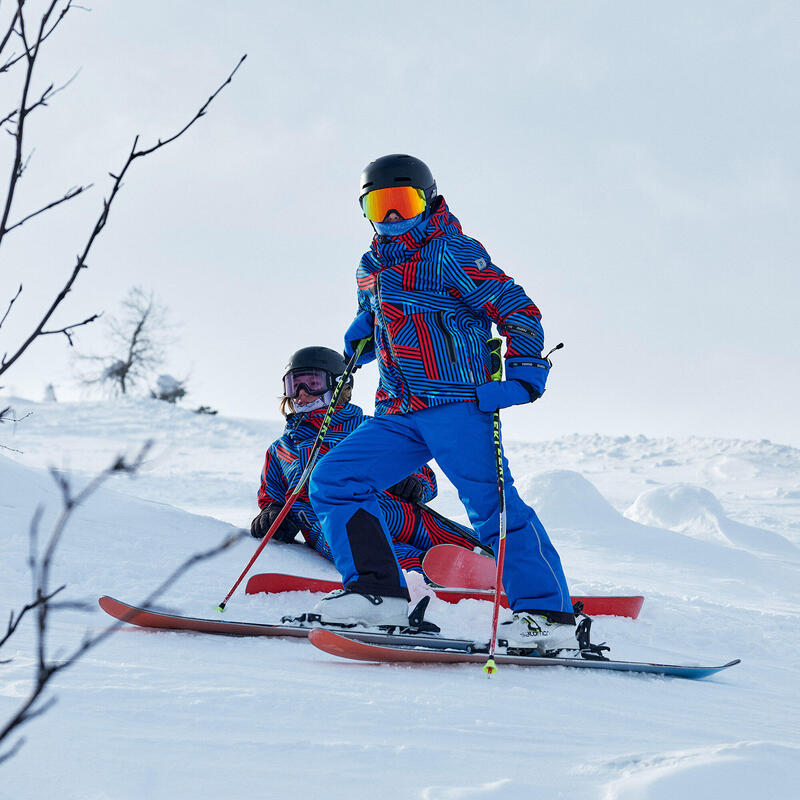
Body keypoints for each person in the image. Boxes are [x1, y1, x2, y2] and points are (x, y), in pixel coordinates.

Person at [307, 154, 576, 652]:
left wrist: (523, 369)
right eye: (378, 205)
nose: (391, 217)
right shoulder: (370, 266)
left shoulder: (452, 251)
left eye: (402, 202)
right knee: (333, 480)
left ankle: (546, 614)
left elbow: (517, 308)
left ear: (427, 200)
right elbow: (379, 319)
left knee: (492, 508)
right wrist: (363, 338)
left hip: (457, 404)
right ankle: (377, 594)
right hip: (398, 411)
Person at [251, 345, 479, 580]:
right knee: (369, 552)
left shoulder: (369, 429)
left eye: (313, 383)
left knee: (454, 536)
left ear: (341, 385)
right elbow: (272, 497)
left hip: (406, 516)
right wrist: (272, 514)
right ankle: (426, 573)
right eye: (293, 384)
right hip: (337, 526)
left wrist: (415, 483)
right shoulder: (281, 450)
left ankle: (493, 561)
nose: (301, 392)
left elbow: (425, 476)